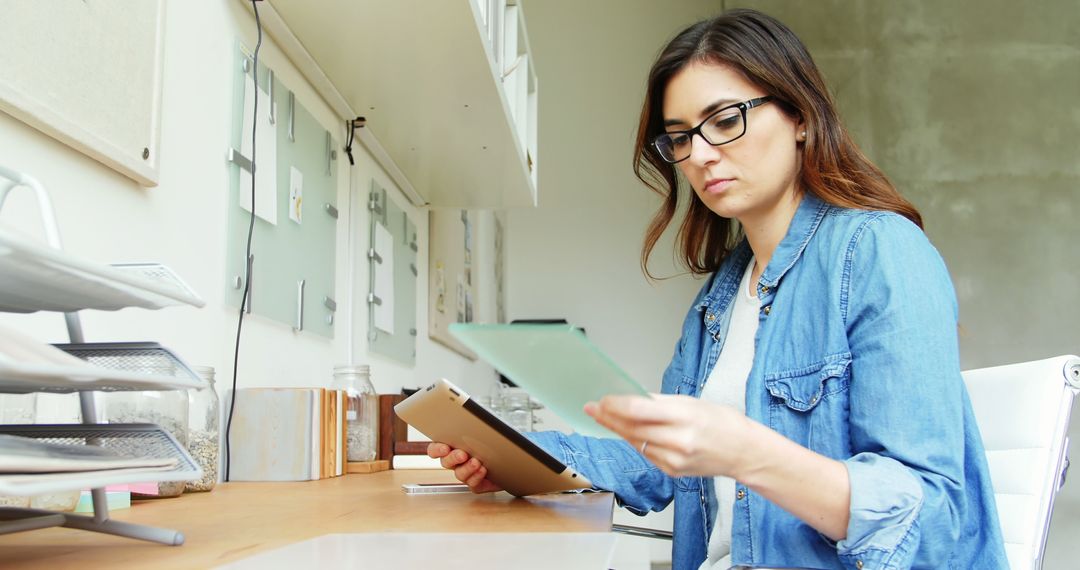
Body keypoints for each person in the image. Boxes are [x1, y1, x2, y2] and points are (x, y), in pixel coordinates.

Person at [428, 8, 1007, 569]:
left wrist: (748, 452)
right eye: (679, 138)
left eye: (725, 120)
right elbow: (654, 467)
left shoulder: (880, 251)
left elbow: (930, 522)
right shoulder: (722, 296)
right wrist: (514, 453)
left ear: (800, 116)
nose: (700, 155)